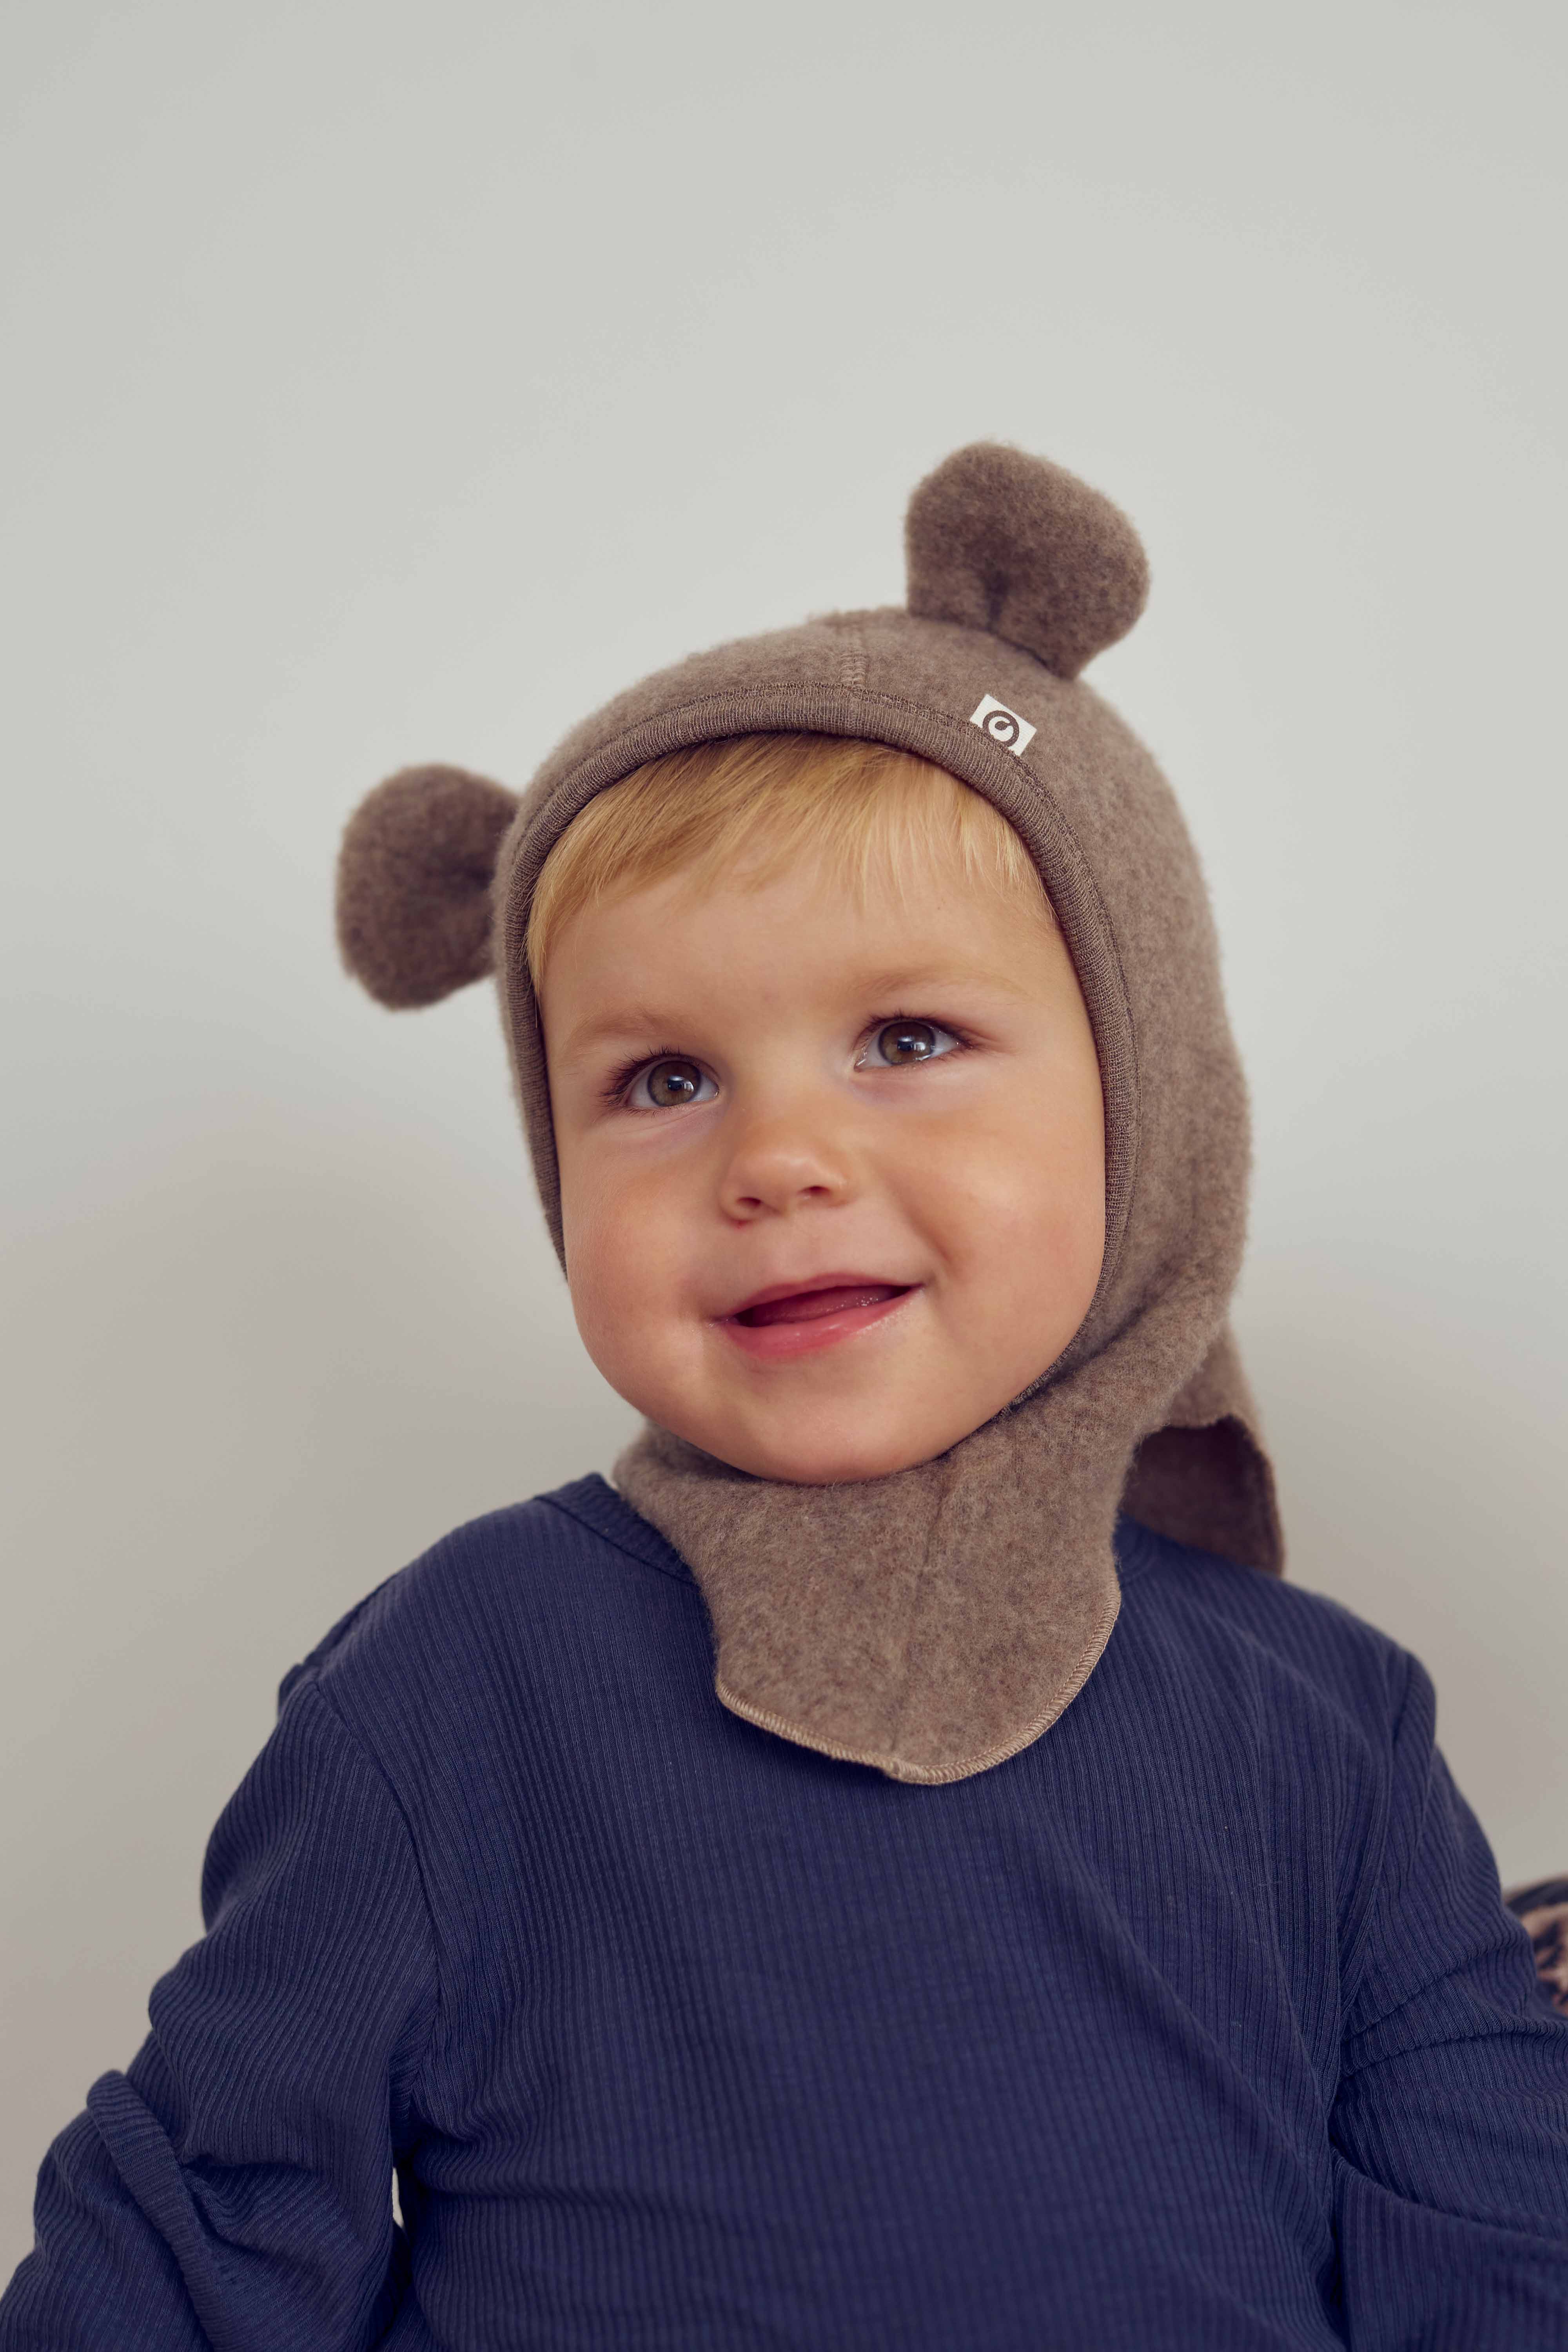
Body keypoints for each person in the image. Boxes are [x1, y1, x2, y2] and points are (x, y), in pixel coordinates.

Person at [3, 444, 1565, 2349]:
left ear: (1147, 1111)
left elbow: (1500, 2259)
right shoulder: (455, 1685)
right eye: (661, 1081)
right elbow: (196, 2243)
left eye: (907, 1036)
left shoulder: (1328, 1729)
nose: (777, 1160)